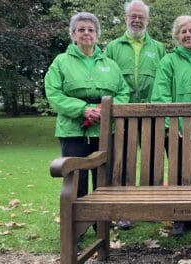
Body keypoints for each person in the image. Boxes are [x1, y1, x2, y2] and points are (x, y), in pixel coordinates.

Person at [45, 12, 129, 200]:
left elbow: (124, 92)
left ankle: (102, 221)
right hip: (73, 132)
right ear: (73, 35)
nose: (86, 33)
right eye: (80, 29)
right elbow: (54, 93)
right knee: (76, 179)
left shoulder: (111, 65)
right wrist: (83, 109)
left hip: (104, 131)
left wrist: (105, 109)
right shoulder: (61, 62)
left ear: (97, 35)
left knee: (104, 177)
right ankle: (76, 225)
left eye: (91, 30)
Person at [105, 0, 166, 229]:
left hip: (151, 113)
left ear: (148, 20)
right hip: (123, 114)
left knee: (152, 160)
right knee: (123, 162)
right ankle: (123, 211)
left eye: (141, 16)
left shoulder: (158, 47)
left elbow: (162, 80)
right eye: (133, 16)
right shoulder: (112, 47)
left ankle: (150, 207)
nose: (137, 20)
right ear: (126, 18)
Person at [151, 15, 191, 237]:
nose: (187, 35)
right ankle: (178, 217)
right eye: (183, 31)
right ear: (177, 36)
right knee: (177, 173)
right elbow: (160, 96)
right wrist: (171, 124)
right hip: (176, 130)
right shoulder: (168, 61)